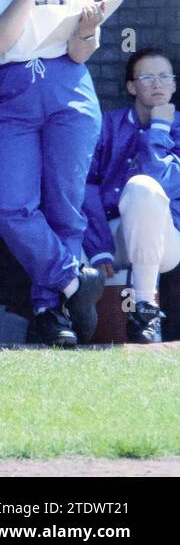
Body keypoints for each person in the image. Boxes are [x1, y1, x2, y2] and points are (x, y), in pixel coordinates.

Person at [0, 0, 106, 347]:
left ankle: (54, 313)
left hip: (68, 90)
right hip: (15, 91)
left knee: (65, 209)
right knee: (5, 203)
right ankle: (75, 280)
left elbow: (80, 53)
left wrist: (88, 32)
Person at [82, 49, 180, 343]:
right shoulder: (107, 125)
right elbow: (84, 187)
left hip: (166, 240)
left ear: (174, 85)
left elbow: (160, 181)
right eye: (147, 77)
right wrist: (98, 245)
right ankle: (67, 324)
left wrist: (160, 126)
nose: (157, 84)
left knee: (142, 188)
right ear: (131, 86)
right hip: (108, 235)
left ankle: (144, 309)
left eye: (164, 77)